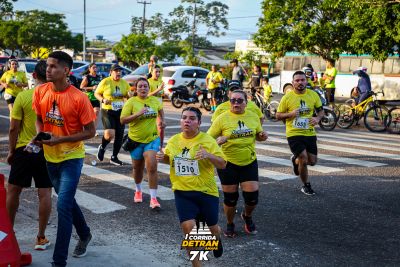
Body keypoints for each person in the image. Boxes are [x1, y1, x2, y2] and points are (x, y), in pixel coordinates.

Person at [32, 51, 96, 267]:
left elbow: (90, 132)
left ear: (66, 71)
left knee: (62, 206)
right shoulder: (40, 91)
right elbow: (40, 119)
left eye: (53, 66)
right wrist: (40, 135)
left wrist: (59, 140)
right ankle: (85, 234)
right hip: (50, 157)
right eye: (47, 66)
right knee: (68, 202)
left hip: (72, 157)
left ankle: (58, 261)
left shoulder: (79, 98)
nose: (48, 70)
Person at [156, 107, 225, 266]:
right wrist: (163, 157)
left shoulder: (207, 141)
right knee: (190, 230)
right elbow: (171, 160)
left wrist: (208, 155)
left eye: (192, 118)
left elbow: (222, 164)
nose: (187, 120)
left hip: (206, 192)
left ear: (199, 123)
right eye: (184, 117)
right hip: (183, 192)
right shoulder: (174, 140)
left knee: (212, 228)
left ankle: (215, 239)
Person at [207, 90, 268, 237]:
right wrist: (219, 141)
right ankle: (229, 223)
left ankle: (247, 216)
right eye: (233, 100)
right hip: (228, 163)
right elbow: (208, 140)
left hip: (249, 161)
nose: (236, 103)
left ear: (246, 103)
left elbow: (258, 135)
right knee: (231, 198)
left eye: (239, 100)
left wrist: (262, 136)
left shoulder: (253, 116)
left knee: (252, 197)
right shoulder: (222, 119)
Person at [6, 60, 52, 251]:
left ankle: (7, 234)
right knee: (45, 193)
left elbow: (13, 128)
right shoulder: (55, 97)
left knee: (14, 191)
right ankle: (40, 237)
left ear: (34, 76)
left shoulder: (23, 96)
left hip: (24, 150)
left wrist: (11, 151)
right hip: (48, 150)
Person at [120, 77, 166, 209]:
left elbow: (160, 111)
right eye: (140, 86)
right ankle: (138, 190)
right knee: (137, 168)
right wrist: (137, 114)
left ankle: (153, 198)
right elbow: (123, 120)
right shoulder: (131, 102)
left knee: (152, 166)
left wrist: (162, 120)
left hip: (152, 139)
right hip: (135, 141)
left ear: (149, 88)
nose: (143, 88)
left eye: (145, 86)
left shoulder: (154, 100)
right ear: (136, 88)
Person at [276, 70, 324, 196]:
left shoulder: (313, 95)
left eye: (302, 80)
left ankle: (295, 160)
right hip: (293, 133)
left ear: (306, 81)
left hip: (309, 133)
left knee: (312, 161)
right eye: (297, 80)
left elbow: (320, 111)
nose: (300, 82)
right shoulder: (287, 97)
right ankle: (306, 185)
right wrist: (290, 114)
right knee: (303, 157)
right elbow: (278, 115)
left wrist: (317, 119)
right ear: (293, 83)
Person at [95, 64, 130, 166]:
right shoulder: (106, 81)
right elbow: (97, 93)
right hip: (108, 110)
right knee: (110, 134)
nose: (118, 73)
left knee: (119, 135)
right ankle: (102, 147)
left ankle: (114, 157)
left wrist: (129, 95)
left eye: (120, 71)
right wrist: (102, 99)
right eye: (116, 71)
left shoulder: (124, 83)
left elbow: (127, 94)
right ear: (111, 72)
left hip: (121, 111)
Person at [80, 63, 102, 133]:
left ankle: (93, 130)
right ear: (89, 69)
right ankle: (84, 128)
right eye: (93, 68)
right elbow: (81, 87)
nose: (95, 69)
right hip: (88, 98)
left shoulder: (99, 77)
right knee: (87, 115)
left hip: (96, 98)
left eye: (96, 68)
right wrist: (92, 88)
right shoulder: (87, 77)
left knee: (96, 112)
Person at [148, 65, 165, 146]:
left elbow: (161, 94)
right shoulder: (148, 82)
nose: (158, 73)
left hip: (160, 107)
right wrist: (158, 90)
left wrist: (164, 94)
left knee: (161, 127)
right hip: (151, 108)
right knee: (157, 126)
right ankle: (154, 145)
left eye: (159, 72)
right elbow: (147, 95)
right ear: (151, 72)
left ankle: (160, 146)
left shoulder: (160, 81)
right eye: (156, 72)